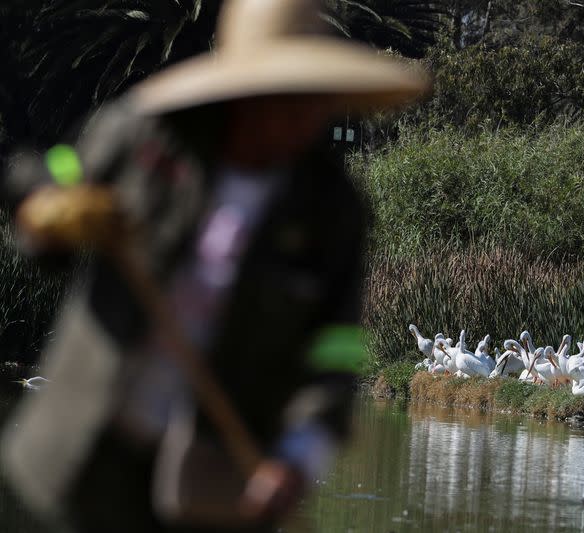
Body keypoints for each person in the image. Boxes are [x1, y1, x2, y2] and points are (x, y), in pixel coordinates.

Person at [0, 0, 429, 531]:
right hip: (80, 457)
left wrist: (297, 458)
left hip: (212, 482)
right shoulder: (149, 138)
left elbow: (336, 350)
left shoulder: (331, 210)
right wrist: (47, 204)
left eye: (315, 97)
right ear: (245, 89)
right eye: (285, 95)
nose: (303, 116)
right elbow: (55, 168)